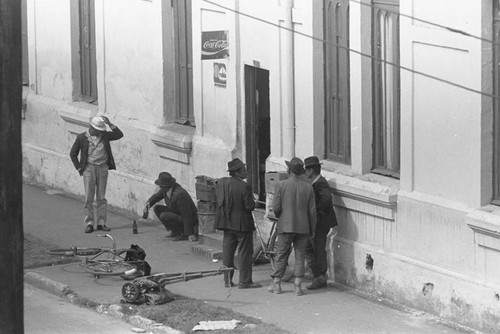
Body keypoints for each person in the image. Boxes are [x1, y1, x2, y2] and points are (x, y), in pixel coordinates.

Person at [268, 157, 316, 296]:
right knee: (300, 256)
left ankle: (277, 284)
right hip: (303, 227)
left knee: (281, 254)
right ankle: (298, 286)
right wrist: (311, 228)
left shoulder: (281, 185)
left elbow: (276, 208)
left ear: (289, 170)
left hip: (285, 225)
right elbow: (312, 212)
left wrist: (281, 216)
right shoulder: (308, 187)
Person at [70, 115, 124, 233]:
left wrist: (110, 124)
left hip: (102, 167)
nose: (99, 132)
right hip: (89, 168)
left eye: (101, 130)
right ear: (91, 127)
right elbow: (73, 154)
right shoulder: (82, 138)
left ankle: (101, 222)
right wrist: (79, 168)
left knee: (101, 197)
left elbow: (119, 135)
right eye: (97, 130)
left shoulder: (104, 136)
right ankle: (89, 222)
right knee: (89, 197)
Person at [214, 158, 262, 289]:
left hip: (226, 223)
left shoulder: (222, 183)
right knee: (245, 253)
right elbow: (249, 206)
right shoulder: (244, 186)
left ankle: (227, 280)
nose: (246, 172)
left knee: (228, 252)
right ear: (237, 172)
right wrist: (254, 200)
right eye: (243, 170)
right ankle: (245, 281)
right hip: (241, 224)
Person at [304, 156, 338, 290]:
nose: (306, 172)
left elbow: (326, 199)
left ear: (312, 170)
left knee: (318, 249)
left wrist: (316, 212)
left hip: (321, 222)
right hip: (318, 221)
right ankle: (319, 275)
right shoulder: (316, 182)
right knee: (312, 247)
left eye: (307, 169)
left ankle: (320, 276)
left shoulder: (321, 183)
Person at [143, 172, 199, 242]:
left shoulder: (180, 194)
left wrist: (190, 233)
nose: (159, 187)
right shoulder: (165, 190)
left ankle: (184, 233)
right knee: (157, 208)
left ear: (165, 185)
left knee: (164, 215)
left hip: (190, 219)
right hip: (177, 212)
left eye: (160, 185)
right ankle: (176, 231)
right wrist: (147, 205)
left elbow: (187, 214)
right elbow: (156, 197)